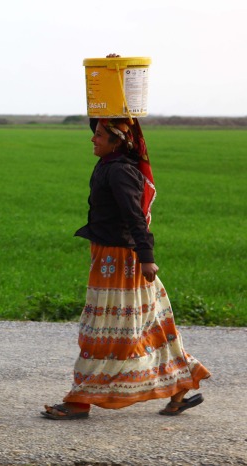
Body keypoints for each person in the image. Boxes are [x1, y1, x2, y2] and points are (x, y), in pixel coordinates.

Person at [41, 116, 211, 420]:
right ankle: (181, 384)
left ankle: (80, 400)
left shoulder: (119, 171)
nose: (93, 139)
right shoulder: (110, 163)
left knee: (105, 333)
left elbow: (134, 216)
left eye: (99, 135)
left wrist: (146, 257)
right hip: (112, 257)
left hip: (121, 262)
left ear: (117, 140)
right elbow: (103, 118)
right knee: (151, 325)